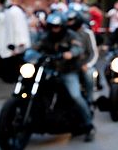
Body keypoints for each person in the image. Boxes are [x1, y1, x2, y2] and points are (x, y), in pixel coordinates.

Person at [34, 12, 95, 141]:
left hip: (68, 70)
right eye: (52, 26)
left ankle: (89, 125)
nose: (55, 29)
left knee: (75, 96)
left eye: (57, 26)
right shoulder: (46, 36)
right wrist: (27, 52)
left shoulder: (71, 35)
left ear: (62, 26)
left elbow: (78, 48)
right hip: (49, 69)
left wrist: (71, 53)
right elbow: (36, 47)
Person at [66, 9, 99, 104]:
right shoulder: (66, 33)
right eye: (68, 20)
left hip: (84, 64)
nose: (69, 23)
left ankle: (89, 99)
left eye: (71, 20)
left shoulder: (87, 33)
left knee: (89, 74)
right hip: (69, 65)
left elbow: (94, 52)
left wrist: (87, 65)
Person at [0, 0, 31, 83]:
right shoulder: (16, 11)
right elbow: (19, 28)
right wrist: (21, 42)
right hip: (18, 43)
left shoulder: (9, 11)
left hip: (11, 42)